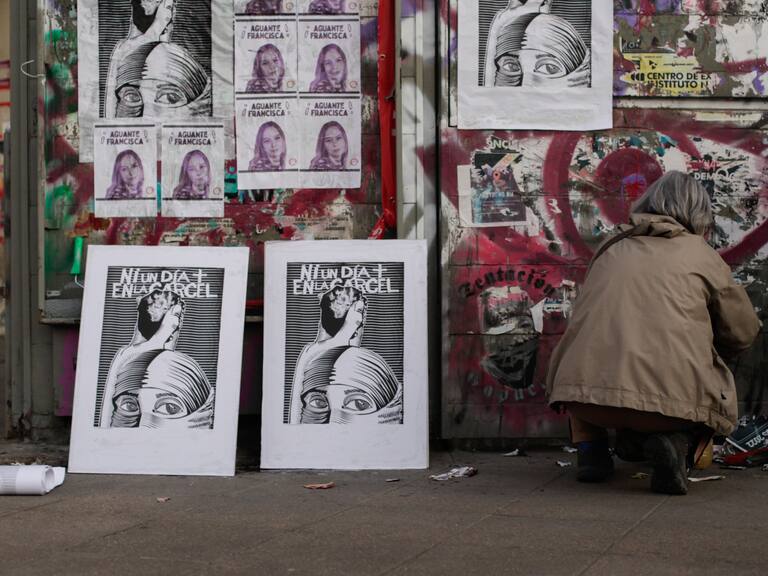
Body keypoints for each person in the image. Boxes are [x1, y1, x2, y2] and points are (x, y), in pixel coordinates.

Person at [546, 171, 761, 495]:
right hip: (669, 408)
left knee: (587, 353)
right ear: (700, 212)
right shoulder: (701, 255)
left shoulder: (611, 245)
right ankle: (676, 443)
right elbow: (743, 332)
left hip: (585, 401)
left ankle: (591, 452)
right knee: (704, 377)